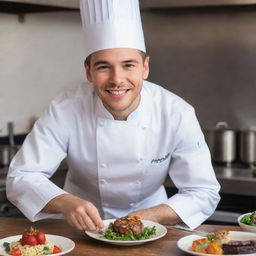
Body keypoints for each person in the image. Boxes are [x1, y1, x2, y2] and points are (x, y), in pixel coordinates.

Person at [6, 0, 220, 232]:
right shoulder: (65, 109)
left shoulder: (176, 113)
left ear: (145, 68)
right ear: (88, 71)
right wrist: (66, 202)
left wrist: (150, 217)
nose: (117, 80)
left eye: (128, 65)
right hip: (77, 231)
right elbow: (22, 177)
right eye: (103, 67)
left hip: (150, 229)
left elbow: (203, 191)